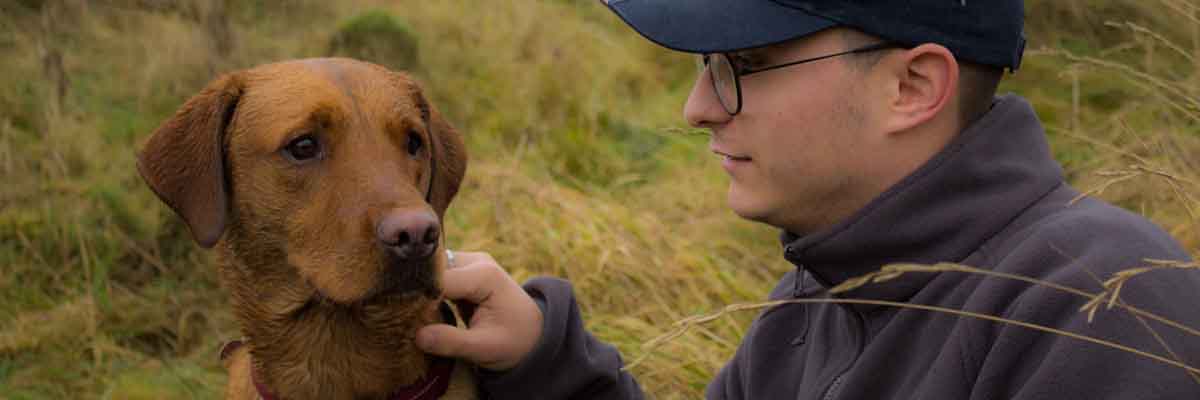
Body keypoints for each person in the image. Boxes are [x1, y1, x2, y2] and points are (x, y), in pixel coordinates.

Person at [416, 1, 1200, 399]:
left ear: (913, 86)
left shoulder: (1108, 307)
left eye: (743, 62)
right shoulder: (817, 295)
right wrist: (543, 359)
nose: (698, 108)